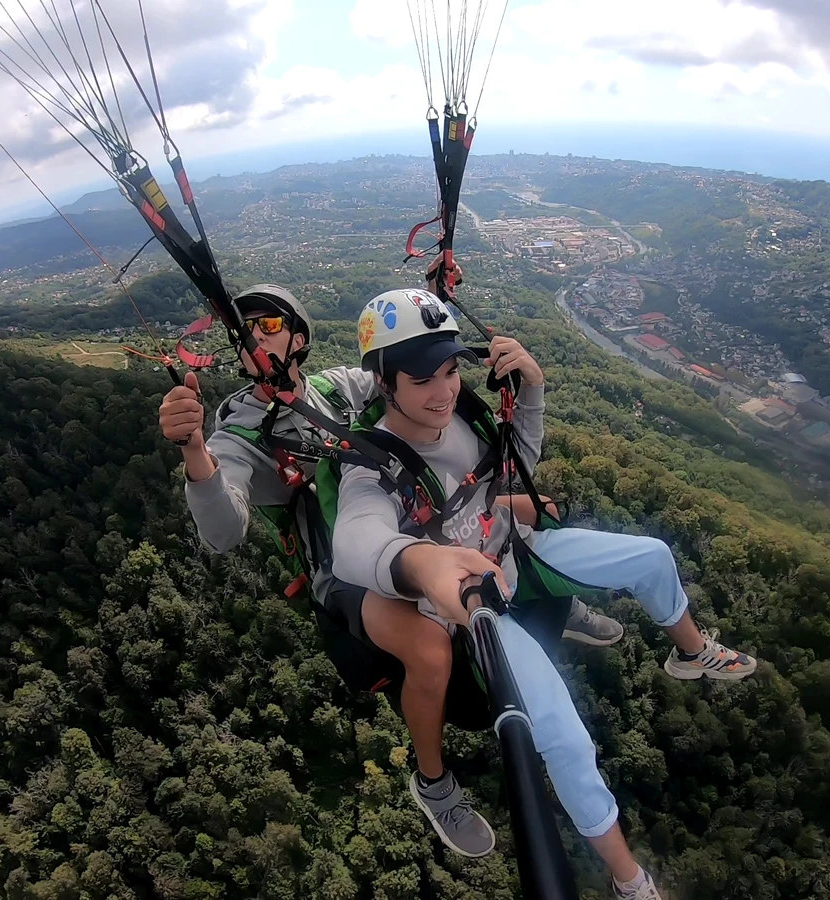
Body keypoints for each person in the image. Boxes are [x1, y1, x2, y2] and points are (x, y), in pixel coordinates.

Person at [157, 279, 624, 860]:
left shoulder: (338, 388)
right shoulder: (240, 436)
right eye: (245, 329)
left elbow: (407, 384)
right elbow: (224, 532)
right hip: (343, 568)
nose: (255, 336)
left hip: (413, 521)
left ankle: (556, 601)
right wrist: (196, 454)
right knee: (430, 649)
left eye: (269, 325)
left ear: (298, 337)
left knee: (536, 508)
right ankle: (433, 782)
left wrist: (434, 318)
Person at [327, 288, 758, 899]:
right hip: (474, 600)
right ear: (384, 382)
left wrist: (533, 390)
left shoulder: (460, 416)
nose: (443, 390)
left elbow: (513, 467)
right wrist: (420, 562)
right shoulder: (370, 462)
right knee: (562, 732)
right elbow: (356, 540)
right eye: (422, 379)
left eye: (450, 371)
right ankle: (630, 880)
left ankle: (691, 653)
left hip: (513, 550)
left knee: (653, 556)